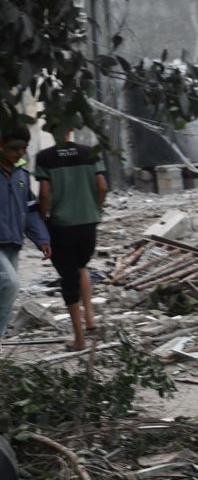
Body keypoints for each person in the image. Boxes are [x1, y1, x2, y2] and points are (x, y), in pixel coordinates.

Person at [35, 127, 107, 351]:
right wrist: (95, 208)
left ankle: (79, 339)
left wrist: (43, 218)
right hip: (88, 221)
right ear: (71, 129)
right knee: (81, 265)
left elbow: (44, 194)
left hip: (62, 224)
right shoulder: (90, 152)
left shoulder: (45, 157)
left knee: (68, 278)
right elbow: (102, 186)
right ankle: (90, 320)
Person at [0, 128, 51, 341]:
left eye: (23, 148)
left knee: (5, 293)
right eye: (14, 148)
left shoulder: (22, 175)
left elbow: (30, 209)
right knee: (11, 284)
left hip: (12, 242)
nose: (19, 153)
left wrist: (42, 238)